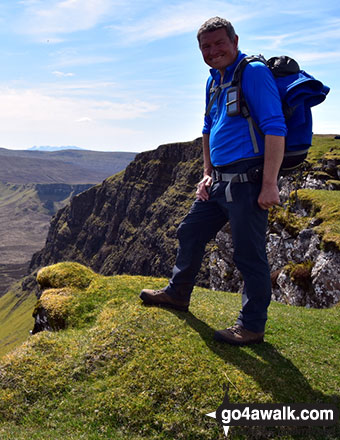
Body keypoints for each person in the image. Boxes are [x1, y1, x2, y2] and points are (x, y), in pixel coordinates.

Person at [139, 17, 286, 345]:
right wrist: (206, 173)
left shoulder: (253, 72)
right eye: (206, 46)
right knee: (189, 231)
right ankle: (177, 294)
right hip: (218, 181)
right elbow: (207, 128)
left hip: (248, 180)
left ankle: (251, 327)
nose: (213, 50)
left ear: (235, 41)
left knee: (249, 254)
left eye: (219, 43)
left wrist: (270, 183)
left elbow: (276, 127)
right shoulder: (214, 81)